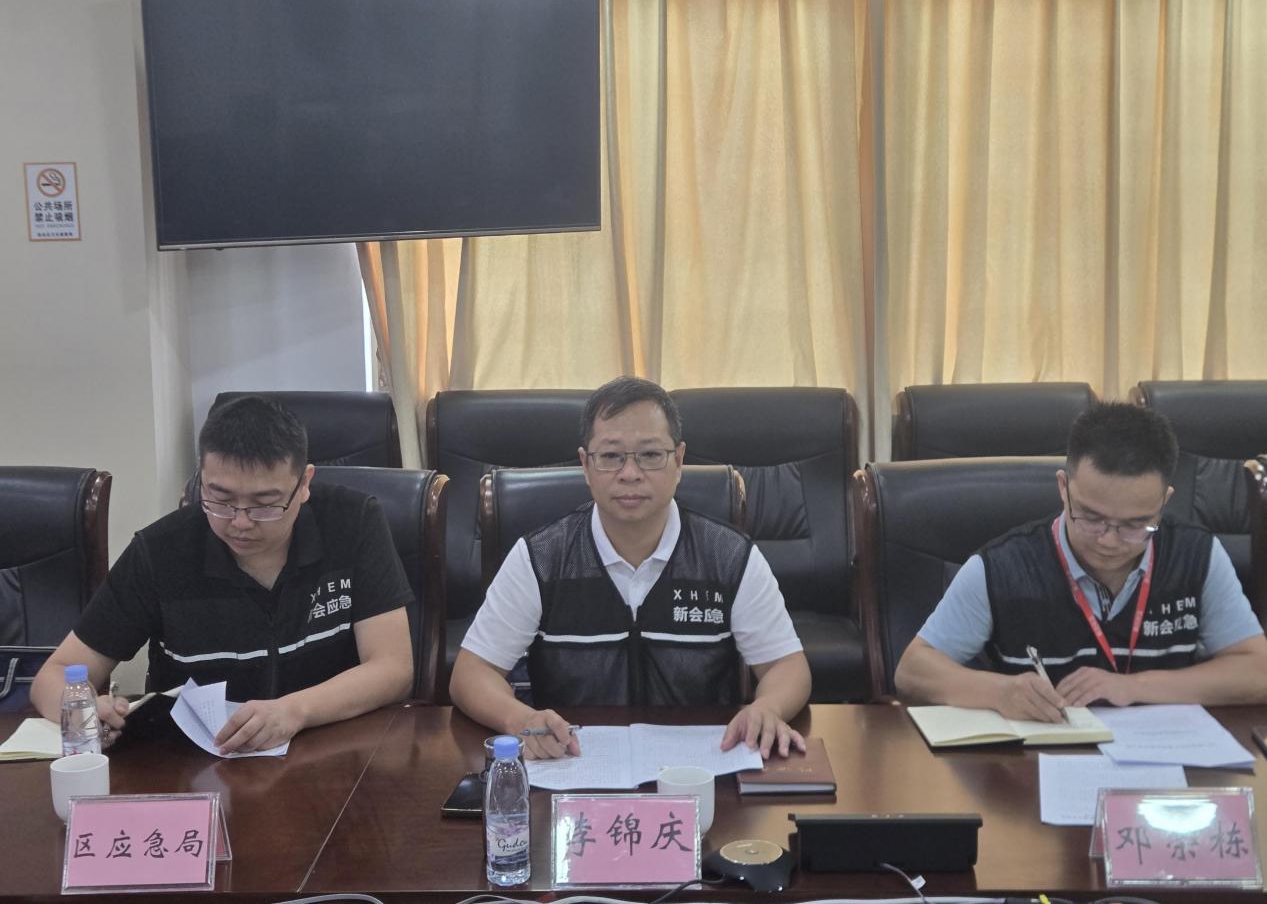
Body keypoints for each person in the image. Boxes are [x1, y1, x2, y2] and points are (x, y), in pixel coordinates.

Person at [450, 376, 812, 760]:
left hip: (701, 770)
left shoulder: (729, 556)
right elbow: (472, 673)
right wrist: (521, 718)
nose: (630, 473)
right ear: (585, 465)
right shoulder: (540, 557)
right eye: (611, 457)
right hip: (573, 765)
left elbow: (786, 665)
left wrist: (767, 708)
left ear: (679, 461)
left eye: (650, 455)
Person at [31, 396, 415, 753]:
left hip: (333, 753)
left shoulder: (352, 523)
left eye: (264, 504)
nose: (240, 522)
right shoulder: (161, 552)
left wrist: (296, 711)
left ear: (304, 484)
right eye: (220, 499)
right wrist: (86, 710)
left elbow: (393, 668)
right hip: (198, 766)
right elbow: (54, 675)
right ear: (201, 478)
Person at [895, 401, 1267, 721]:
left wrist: (1132, 687)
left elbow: (1257, 671)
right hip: (1033, 767)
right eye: (1091, 517)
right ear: (1063, 488)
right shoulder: (1002, 567)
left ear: (1164, 502)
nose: (1109, 540)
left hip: (1165, 765)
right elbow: (913, 671)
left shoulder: (1197, 555)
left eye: (1135, 524)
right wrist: (999, 692)